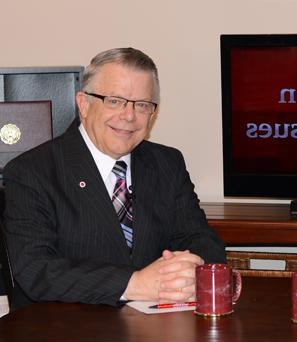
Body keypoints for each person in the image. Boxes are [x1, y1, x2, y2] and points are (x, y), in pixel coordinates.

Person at [3, 47, 226, 310]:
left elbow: (202, 239)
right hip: (65, 328)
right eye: (115, 101)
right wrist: (135, 283)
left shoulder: (168, 163)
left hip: (157, 329)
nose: (129, 116)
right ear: (84, 104)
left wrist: (190, 270)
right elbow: (35, 270)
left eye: (142, 105)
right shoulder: (31, 171)